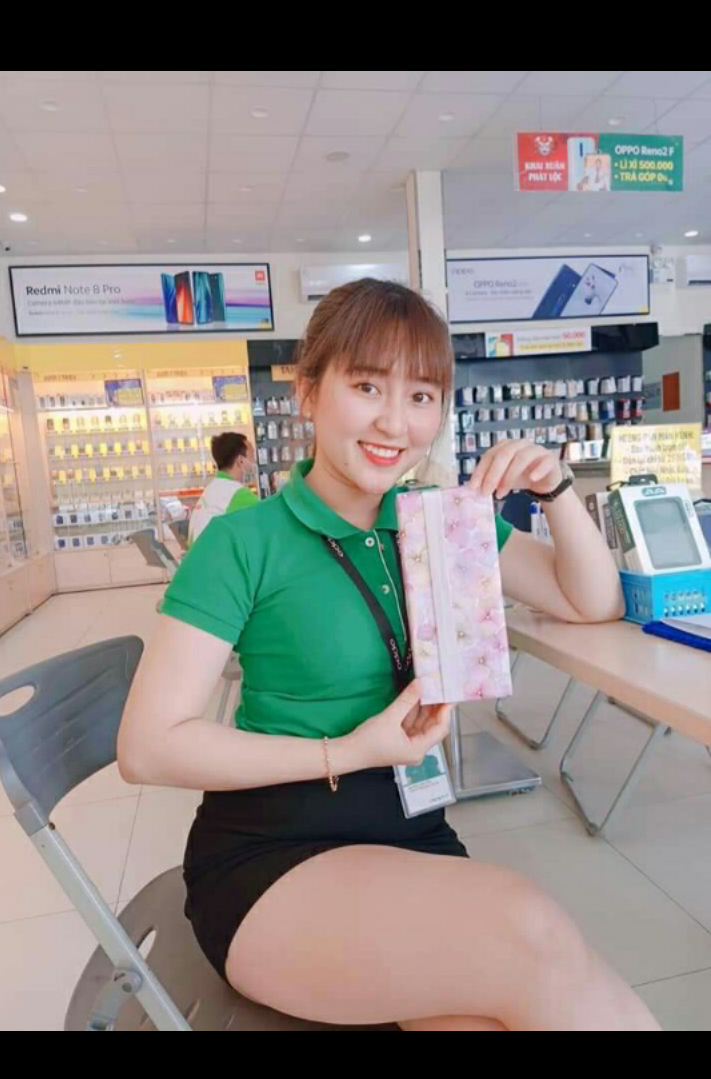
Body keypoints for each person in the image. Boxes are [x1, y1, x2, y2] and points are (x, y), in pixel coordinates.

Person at [118, 279, 660, 1031]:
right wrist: (348, 751)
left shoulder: (440, 523)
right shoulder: (243, 542)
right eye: (367, 386)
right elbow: (147, 748)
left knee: (496, 1007)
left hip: (410, 831)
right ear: (308, 392)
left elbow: (590, 599)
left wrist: (556, 488)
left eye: (421, 396)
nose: (394, 422)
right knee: (534, 933)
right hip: (273, 858)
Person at [187, 432, 257, 545]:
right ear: (241, 461)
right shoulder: (239, 494)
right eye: (252, 457)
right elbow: (264, 532)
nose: (254, 463)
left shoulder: (210, 490)